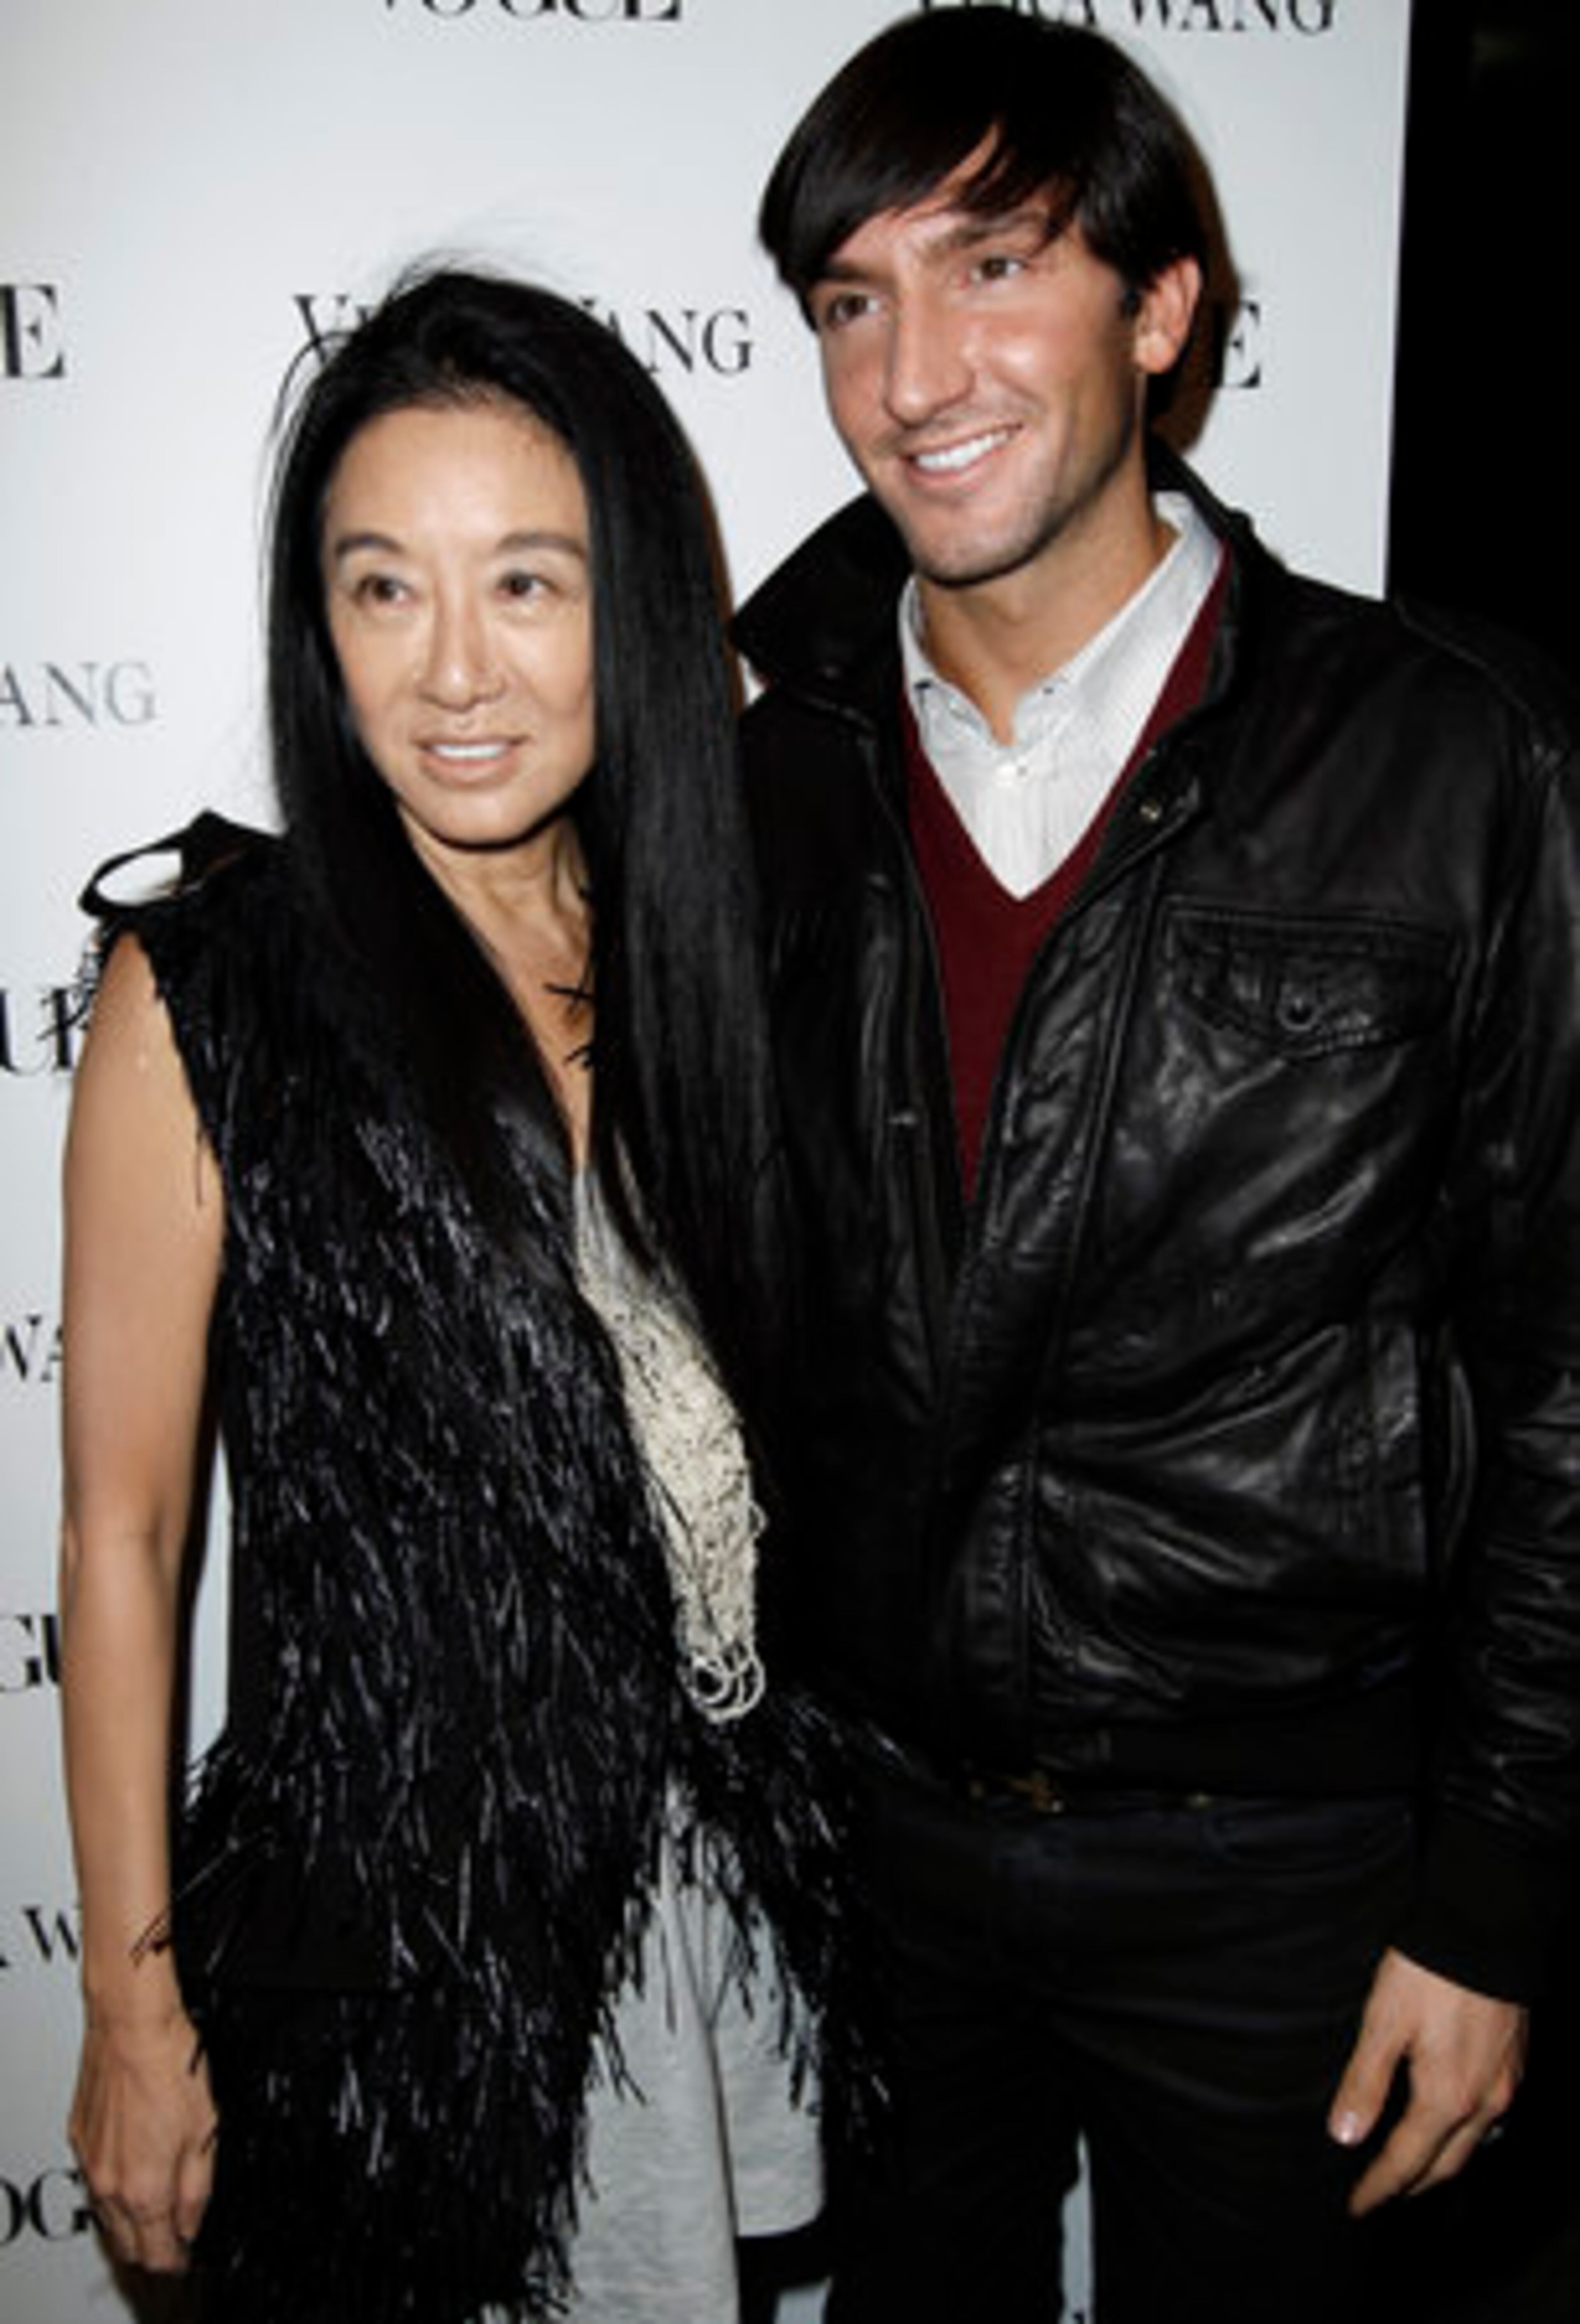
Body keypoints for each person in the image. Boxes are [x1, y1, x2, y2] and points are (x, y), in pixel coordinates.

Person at [733, 14, 1580, 2321]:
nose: (918, 372)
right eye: (851, 299)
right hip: (882, 1847)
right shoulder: (759, 757)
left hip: (1288, 1862)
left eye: (995, 262)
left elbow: (1566, 1367)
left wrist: (1494, 1891)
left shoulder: (1444, 755)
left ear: (1166, 305)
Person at [58, 267, 858, 2324]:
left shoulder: (723, 953)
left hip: (716, 1910)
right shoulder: (211, 992)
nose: (456, 670)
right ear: (316, 631)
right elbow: (126, 1534)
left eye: (531, 580)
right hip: (399, 1952)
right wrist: (137, 2015)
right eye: (382, 588)